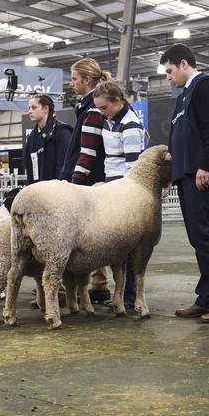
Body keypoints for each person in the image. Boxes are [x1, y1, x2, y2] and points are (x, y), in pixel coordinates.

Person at [162, 43, 209, 324]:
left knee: (205, 237)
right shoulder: (184, 97)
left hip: (200, 173)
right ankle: (206, 298)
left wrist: (206, 164)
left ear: (183, 64)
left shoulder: (206, 86)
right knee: (197, 238)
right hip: (186, 173)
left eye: (169, 71)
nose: (168, 77)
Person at [60, 58, 112, 302]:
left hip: (90, 181)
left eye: (74, 78)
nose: (71, 83)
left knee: (89, 235)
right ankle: (98, 283)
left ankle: (95, 284)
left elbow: (88, 151)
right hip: (91, 180)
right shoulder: (88, 105)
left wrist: (74, 182)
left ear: (87, 80)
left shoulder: (93, 107)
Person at [93, 80, 147, 309]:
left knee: (129, 247)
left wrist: (121, 195)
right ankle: (120, 295)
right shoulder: (110, 121)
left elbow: (133, 166)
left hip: (123, 192)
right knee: (116, 247)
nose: (101, 113)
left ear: (117, 101)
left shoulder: (131, 124)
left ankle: (130, 296)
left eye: (104, 108)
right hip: (110, 186)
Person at [23, 94, 73, 184]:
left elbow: (66, 165)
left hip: (58, 190)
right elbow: (30, 169)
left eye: (34, 108)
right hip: (38, 191)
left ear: (46, 109)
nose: (30, 111)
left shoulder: (62, 132)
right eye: (29, 108)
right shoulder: (32, 137)